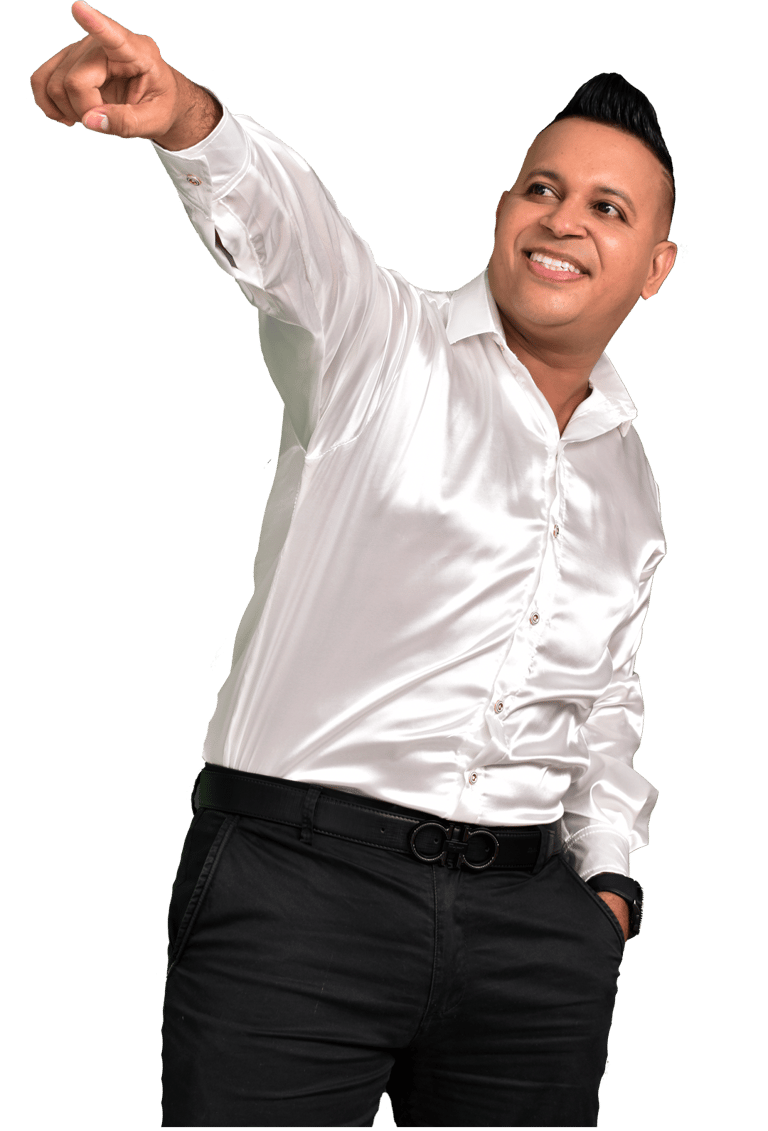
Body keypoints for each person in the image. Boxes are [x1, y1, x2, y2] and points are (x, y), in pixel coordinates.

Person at [31, 3, 678, 1127]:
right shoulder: (380, 342)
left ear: (654, 268)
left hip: (534, 930)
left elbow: (606, 693)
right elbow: (295, 233)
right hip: (300, 894)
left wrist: (608, 883)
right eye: (542, 188)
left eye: (606, 208)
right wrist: (186, 117)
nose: (562, 219)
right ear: (504, 210)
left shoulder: (632, 476)